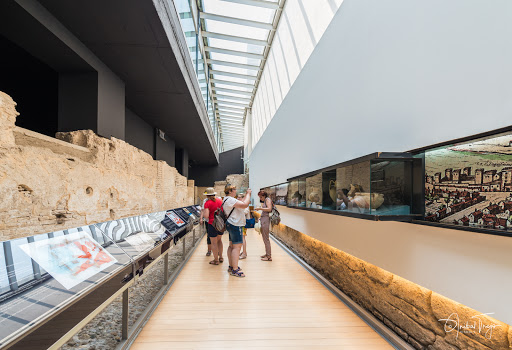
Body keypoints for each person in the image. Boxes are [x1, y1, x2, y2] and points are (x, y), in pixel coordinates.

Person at [223, 184, 251, 277]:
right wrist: (248, 194)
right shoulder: (230, 199)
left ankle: (232, 266)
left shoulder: (226, 199)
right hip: (236, 225)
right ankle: (235, 269)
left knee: (231, 246)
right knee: (237, 247)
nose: (236, 190)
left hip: (231, 224)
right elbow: (245, 205)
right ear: (230, 191)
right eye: (234, 189)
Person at [202, 187, 224, 265]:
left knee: (213, 243)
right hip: (220, 224)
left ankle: (216, 260)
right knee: (219, 241)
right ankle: (221, 257)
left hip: (212, 224)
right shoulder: (220, 200)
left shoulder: (207, 203)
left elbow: (206, 216)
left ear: (207, 195)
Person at [255, 190, 272, 261]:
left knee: (266, 239)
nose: (260, 198)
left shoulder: (267, 200)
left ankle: (268, 256)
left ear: (264, 196)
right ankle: (267, 253)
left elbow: (269, 209)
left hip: (266, 221)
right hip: (264, 220)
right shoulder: (265, 200)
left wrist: (260, 208)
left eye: (261, 197)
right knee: (265, 238)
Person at [237, 193, 250, 260]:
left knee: (243, 238)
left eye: (240, 197)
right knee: (242, 238)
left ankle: (244, 253)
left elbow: (245, 211)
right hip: (240, 223)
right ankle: (244, 252)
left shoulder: (244, 204)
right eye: (238, 197)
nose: (238, 198)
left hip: (243, 224)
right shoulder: (240, 204)